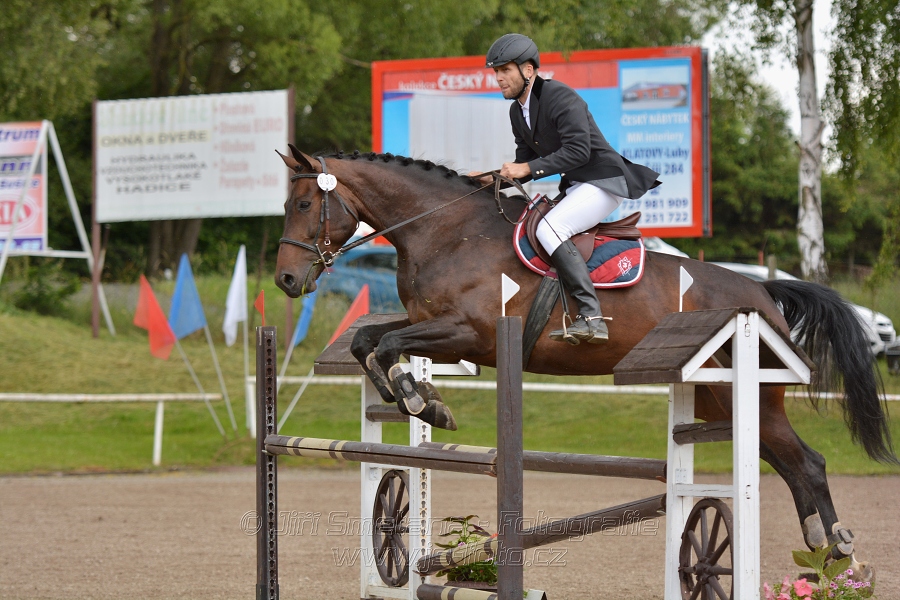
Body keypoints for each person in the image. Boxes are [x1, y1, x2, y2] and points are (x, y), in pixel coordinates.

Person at [475, 33, 661, 345]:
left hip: (604, 179)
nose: (499, 78)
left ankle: (592, 316)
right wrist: (492, 179)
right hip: (578, 185)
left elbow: (579, 151)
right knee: (532, 227)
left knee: (551, 229)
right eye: (496, 72)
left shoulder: (559, 96)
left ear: (529, 70)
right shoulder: (516, 112)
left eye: (505, 70)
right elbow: (525, 164)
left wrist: (526, 168)